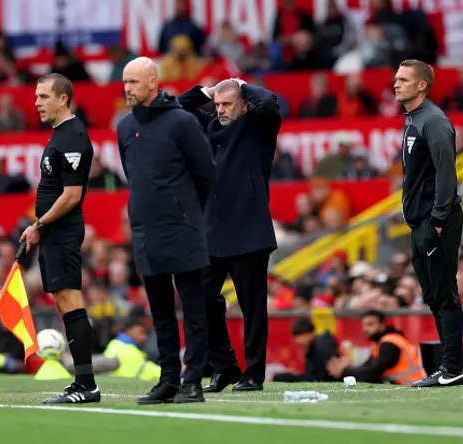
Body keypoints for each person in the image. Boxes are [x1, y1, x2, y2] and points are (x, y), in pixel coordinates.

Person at [117, 57, 216, 404]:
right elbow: (133, 178)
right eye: (125, 82)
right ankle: (169, 379)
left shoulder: (182, 122)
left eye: (133, 82)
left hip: (182, 228)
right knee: (160, 313)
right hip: (146, 231)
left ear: (152, 83)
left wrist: (185, 211)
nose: (127, 88)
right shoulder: (125, 127)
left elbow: (206, 174)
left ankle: (193, 380)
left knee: (193, 310)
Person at [178, 77, 282, 392]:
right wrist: (206, 92)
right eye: (218, 105)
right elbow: (180, 107)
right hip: (211, 231)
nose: (220, 110)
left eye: (227, 104)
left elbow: (268, 103)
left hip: (249, 230)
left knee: (252, 308)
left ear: (243, 104)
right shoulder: (210, 125)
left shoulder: (259, 126)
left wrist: (242, 83)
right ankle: (224, 367)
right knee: (200, 299)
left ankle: (253, 373)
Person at [22, 73, 98, 404]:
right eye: (37, 97)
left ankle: (87, 384)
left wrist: (39, 224)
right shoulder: (60, 135)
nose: (37, 103)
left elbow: (71, 195)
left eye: (43, 97)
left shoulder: (73, 136)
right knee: (64, 302)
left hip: (63, 231)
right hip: (55, 232)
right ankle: (83, 382)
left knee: (71, 301)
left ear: (63, 99)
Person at [394, 59, 463, 387]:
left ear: (422, 85)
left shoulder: (433, 121)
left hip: (436, 221)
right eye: (397, 78)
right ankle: (448, 368)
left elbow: (447, 173)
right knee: (434, 294)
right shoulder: (414, 119)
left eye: (404, 79)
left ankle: (452, 369)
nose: (396, 84)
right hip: (420, 222)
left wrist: (437, 220)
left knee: (444, 292)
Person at [326, 310, 426, 385]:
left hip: (410, 385)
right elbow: (367, 367)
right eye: (364, 325)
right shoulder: (380, 343)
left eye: (370, 324)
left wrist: (345, 371)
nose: (365, 329)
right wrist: (347, 368)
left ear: (382, 324)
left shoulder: (390, 343)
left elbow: (372, 372)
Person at [273, 318, 339, 382]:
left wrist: (297, 376)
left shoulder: (321, 346)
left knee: (283, 377)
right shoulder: (312, 347)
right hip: (317, 379)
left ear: (311, 333)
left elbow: (324, 375)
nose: (297, 340)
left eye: (300, 336)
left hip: (327, 380)